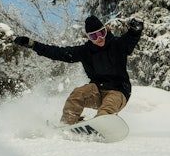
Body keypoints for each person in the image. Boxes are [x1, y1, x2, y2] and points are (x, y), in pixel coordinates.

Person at [13, 15, 143, 125]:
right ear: (88, 38)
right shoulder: (85, 51)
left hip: (119, 91)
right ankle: (68, 123)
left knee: (108, 105)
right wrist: (33, 44)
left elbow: (131, 37)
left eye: (101, 33)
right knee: (78, 94)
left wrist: (136, 29)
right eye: (94, 36)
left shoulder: (118, 44)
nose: (99, 39)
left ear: (106, 30)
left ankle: (102, 123)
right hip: (97, 91)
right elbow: (58, 52)